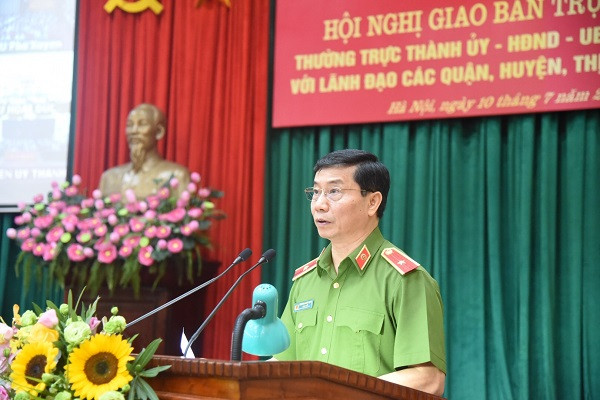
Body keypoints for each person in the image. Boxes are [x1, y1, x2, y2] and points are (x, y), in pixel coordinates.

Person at [273, 149, 446, 396]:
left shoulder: (404, 280)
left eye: (334, 191)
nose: (319, 205)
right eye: (316, 192)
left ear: (372, 202)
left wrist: (339, 394)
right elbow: (282, 366)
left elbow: (428, 379)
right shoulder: (305, 281)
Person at [98, 103, 190, 199]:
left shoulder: (177, 176)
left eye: (142, 124)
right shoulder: (109, 178)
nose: (134, 131)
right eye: (130, 125)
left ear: (159, 132)